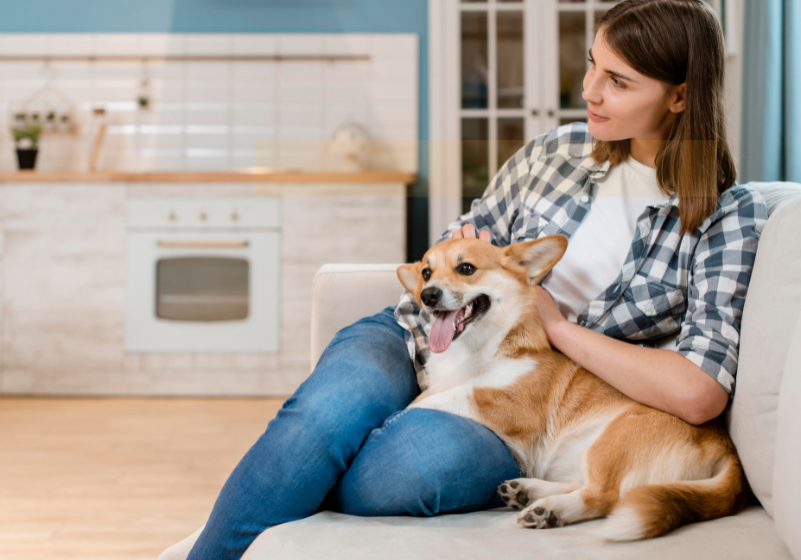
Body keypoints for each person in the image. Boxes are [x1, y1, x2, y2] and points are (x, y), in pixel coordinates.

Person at [182, 0, 768, 557]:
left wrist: (557, 328)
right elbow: (459, 239)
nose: (588, 90)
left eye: (619, 81)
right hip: (415, 336)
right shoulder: (557, 151)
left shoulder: (724, 216)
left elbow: (699, 390)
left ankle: (266, 504)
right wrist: (464, 261)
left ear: (680, 96)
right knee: (314, 425)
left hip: (523, 406)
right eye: (593, 64)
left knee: (391, 476)